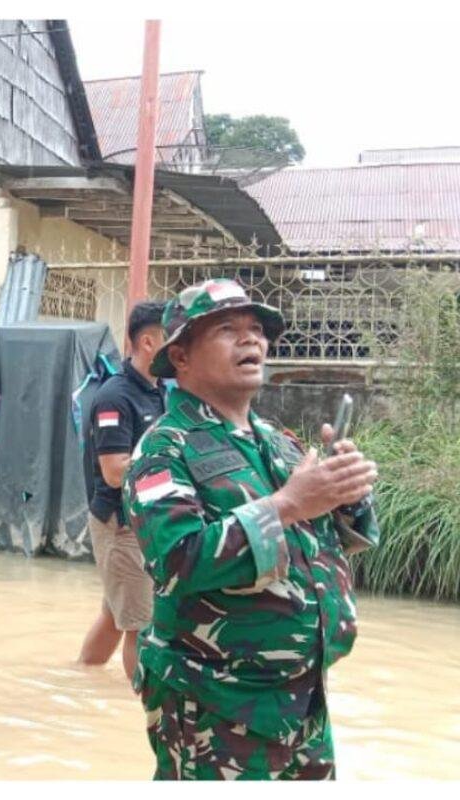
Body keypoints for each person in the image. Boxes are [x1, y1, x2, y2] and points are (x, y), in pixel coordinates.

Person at [122, 278, 380, 780]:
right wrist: (286, 504)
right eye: (227, 329)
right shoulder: (164, 448)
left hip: (304, 699)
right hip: (215, 704)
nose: (252, 341)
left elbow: (332, 542)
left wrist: (347, 496)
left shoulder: (279, 442)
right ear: (180, 357)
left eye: (257, 329)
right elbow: (178, 560)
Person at [78, 300, 166, 681]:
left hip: (143, 521)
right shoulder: (115, 397)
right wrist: (172, 466)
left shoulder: (156, 390)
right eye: (173, 337)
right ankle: (141, 707)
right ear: (148, 342)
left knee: (116, 615)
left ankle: (83, 677)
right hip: (122, 525)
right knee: (140, 625)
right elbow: (115, 473)